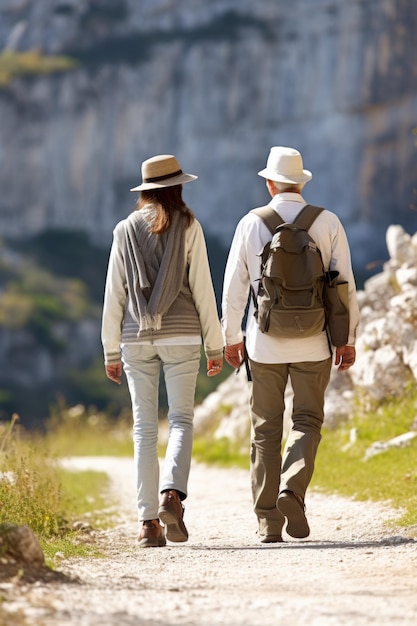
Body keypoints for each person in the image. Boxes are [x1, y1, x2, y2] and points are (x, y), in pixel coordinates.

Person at [221, 146, 359, 543]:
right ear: (301, 182)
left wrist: (232, 337)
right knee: (307, 422)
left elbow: (235, 286)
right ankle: (292, 490)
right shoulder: (327, 221)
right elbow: (343, 283)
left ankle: (267, 520)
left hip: (264, 343)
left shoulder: (251, 223)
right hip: (315, 342)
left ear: (269, 184)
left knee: (265, 429)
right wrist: (346, 340)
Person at [101, 154, 224, 548]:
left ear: (145, 191)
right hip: (184, 335)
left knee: (143, 429)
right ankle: (172, 494)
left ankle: (148, 524)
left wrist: (110, 351)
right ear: (177, 187)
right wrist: (216, 344)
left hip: (136, 338)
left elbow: (114, 294)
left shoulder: (123, 230)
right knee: (182, 420)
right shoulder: (188, 226)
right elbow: (203, 288)